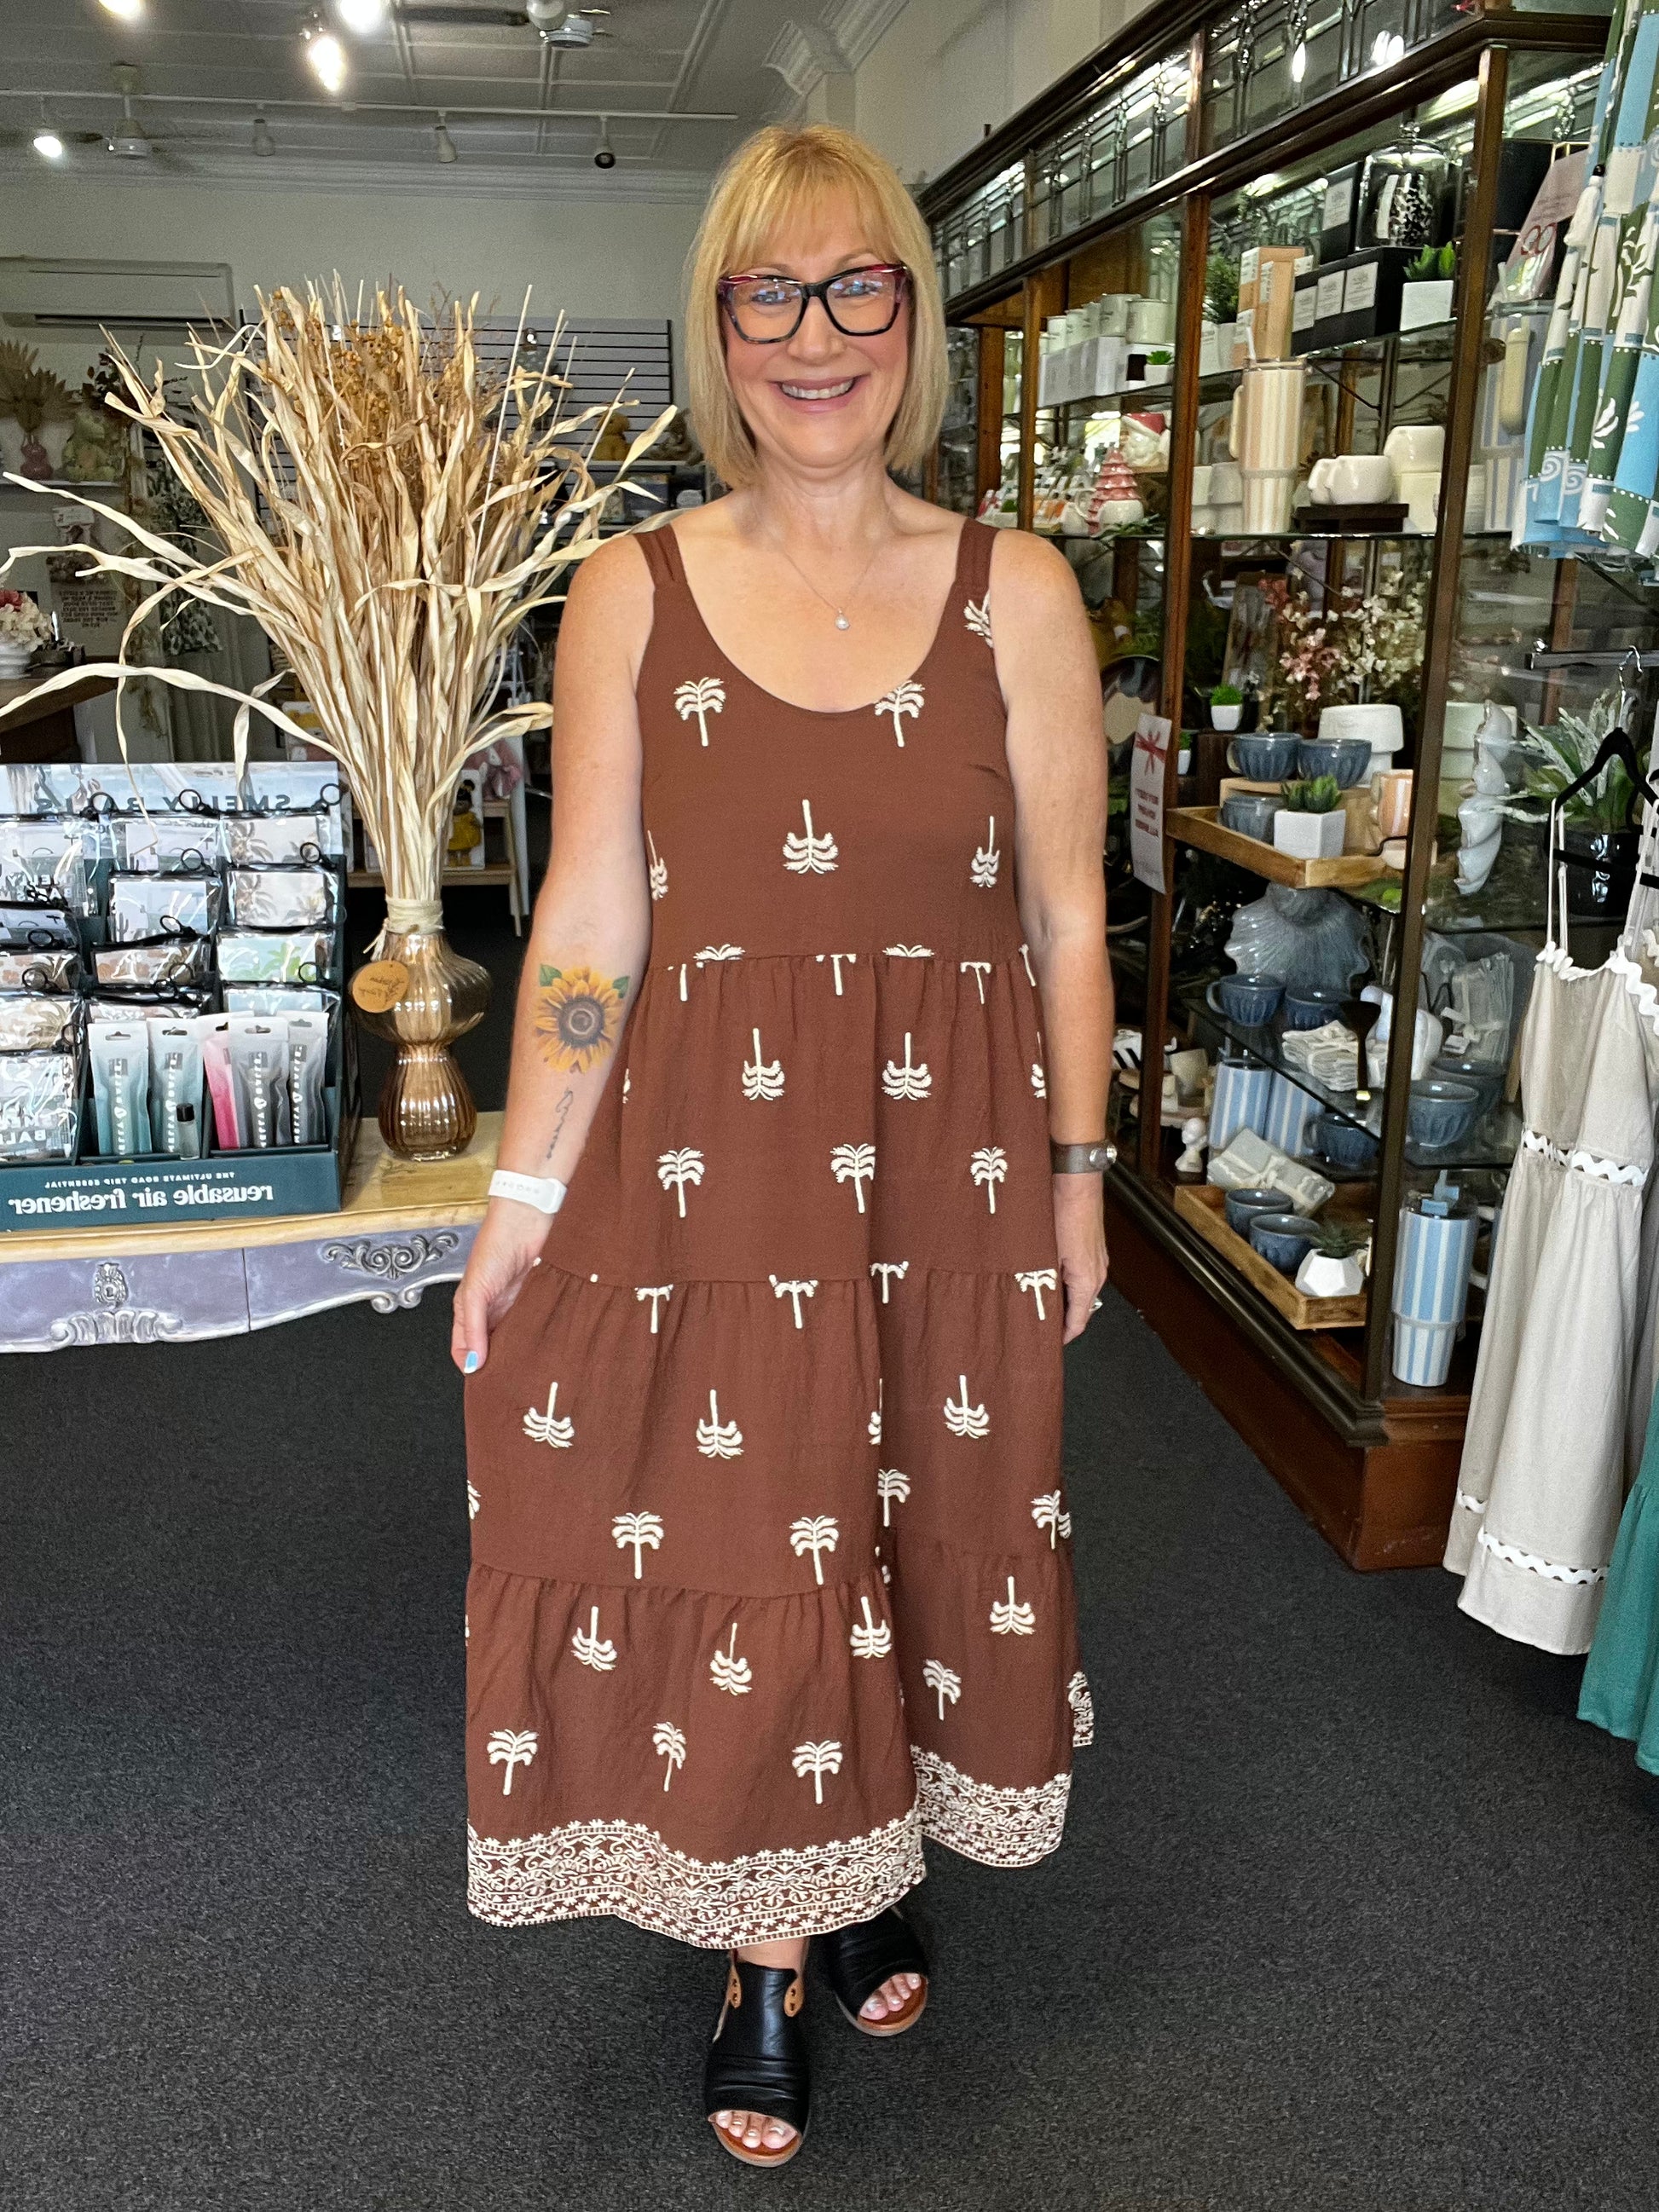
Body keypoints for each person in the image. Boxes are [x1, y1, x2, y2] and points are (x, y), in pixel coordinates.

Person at [451, 120, 1112, 2169]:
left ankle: (863, 1849)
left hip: (946, 1173)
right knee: (752, 1527)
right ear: (719, 325)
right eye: (769, 293)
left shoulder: (1018, 590)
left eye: (855, 287)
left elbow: (1067, 912)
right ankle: (764, 1949)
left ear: (911, 315)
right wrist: (523, 1187)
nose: (814, 336)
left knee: (907, 1513)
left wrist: (1078, 1172)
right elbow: (588, 919)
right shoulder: (629, 590)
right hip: (712, 1172)